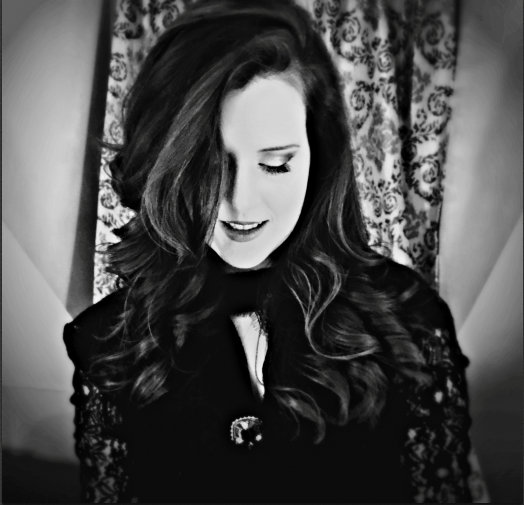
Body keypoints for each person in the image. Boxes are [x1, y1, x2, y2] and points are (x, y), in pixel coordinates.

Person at [64, 0, 473, 502]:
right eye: (209, 165)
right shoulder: (108, 341)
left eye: (276, 164)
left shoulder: (407, 318)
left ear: (319, 158)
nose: (240, 202)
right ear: (164, 163)